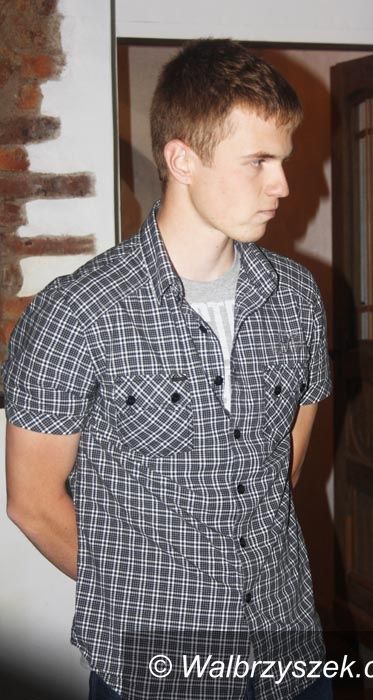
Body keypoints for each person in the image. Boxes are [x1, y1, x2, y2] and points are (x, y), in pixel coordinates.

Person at [3, 39, 332, 700]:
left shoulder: (297, 298)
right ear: (183, 159)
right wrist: (140, 600)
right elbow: (32, 503)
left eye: (283, 160)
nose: (284, 186)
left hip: (287, 647)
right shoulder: (77, 313)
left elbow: (280, 472)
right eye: (258, 161)